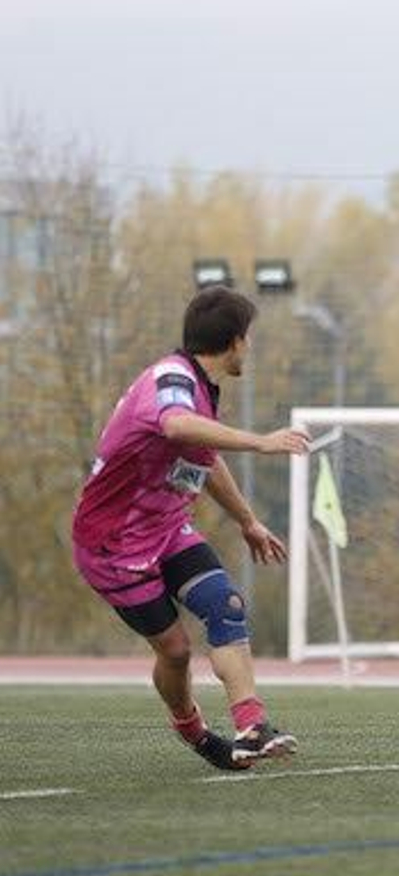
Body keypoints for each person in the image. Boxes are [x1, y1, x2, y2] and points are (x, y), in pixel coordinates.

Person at [70, 286, 307, 771]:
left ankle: (251, 725)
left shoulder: (201, 386)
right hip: (112, 546)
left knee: (226, 604)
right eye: (249, 339)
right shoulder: (172, 377)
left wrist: (248, 522)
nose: (250, 348)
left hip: (166, 529)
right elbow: (178, 427)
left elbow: (203, 456)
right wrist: (262, 443)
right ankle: (194, 731)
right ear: (236, 342)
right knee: (176, 652)